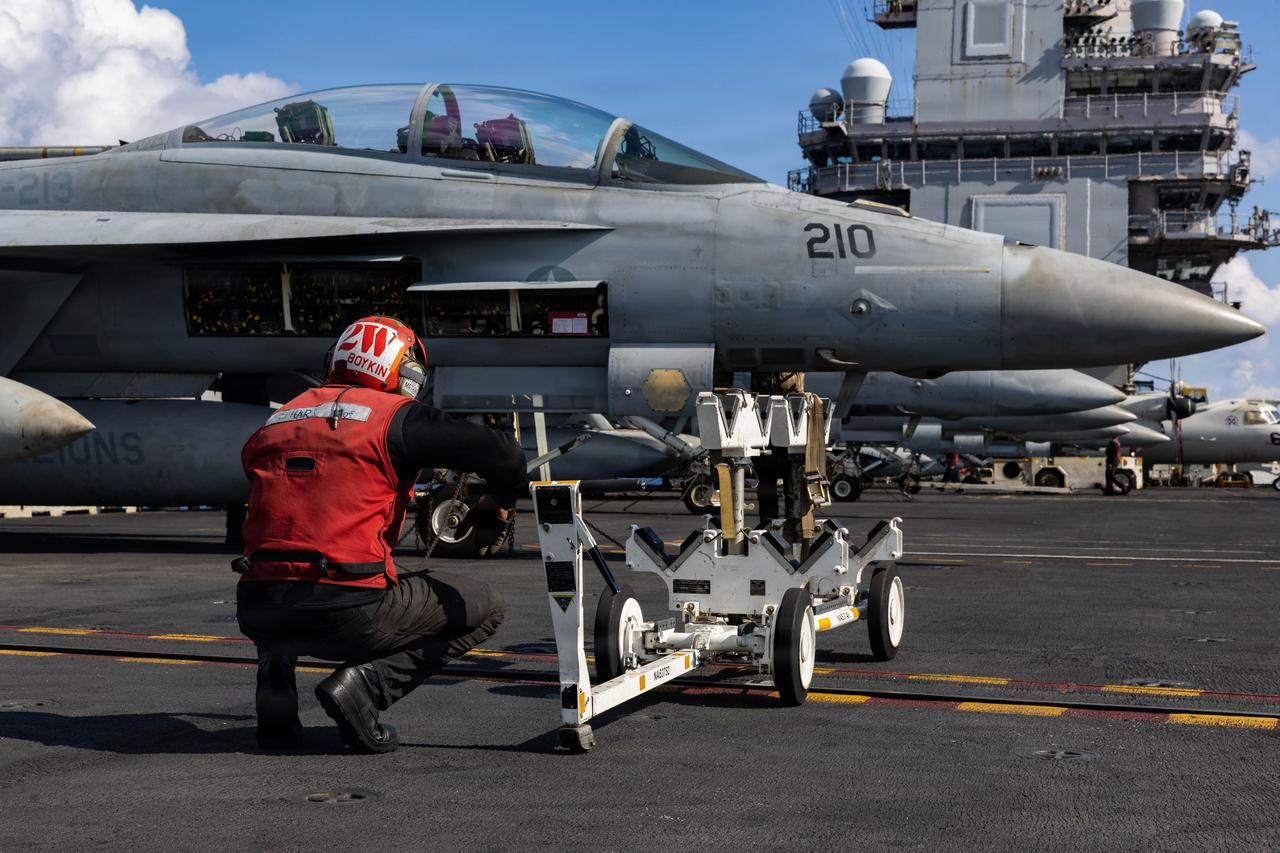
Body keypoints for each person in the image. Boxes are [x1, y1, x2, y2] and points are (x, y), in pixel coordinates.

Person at [234, 316, 526, 753]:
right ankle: (366, 689)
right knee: (486, 607)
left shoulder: (277, 420)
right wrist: (497, 500)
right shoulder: (394, 416)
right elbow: (502, 453)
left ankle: (275, 706)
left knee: (285, 572)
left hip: (257, 607)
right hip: (346, 610)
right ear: (403, 369)